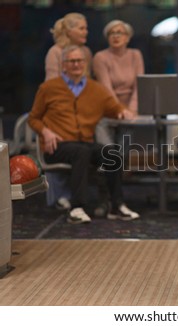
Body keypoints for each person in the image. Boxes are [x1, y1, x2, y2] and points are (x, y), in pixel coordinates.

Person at [28, 45, 140, 224]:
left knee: (112, 154)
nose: (76, 64)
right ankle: (76, 208)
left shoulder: (96, 89)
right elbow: (33, 119)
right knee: (81, 152)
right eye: (71, 61)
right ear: (63, 65)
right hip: (57, 145)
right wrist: (46, 132)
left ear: (85, 64)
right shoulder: (48, 88)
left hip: (83, 143)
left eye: (79, 61)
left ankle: (116, 206)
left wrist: (123, 112)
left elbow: (114, 108)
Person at [44, 12, 92, 210]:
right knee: (61, 147)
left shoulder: (86, 52)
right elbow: (51, 87)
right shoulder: (55, 52)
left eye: (86, 28)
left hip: (81, 112)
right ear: (69, 30)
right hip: (59, 112)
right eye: (81, 28)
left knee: (84, 150)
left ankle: (82, 197)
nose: (85, 32)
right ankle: (59, 197)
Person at [93, 19, 144, 145]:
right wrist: (120, 110)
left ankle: (122, 163)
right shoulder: (100, 57)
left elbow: (139, 85)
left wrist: (131, 110)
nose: (116, 36)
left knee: (123, 151)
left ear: (127, 37)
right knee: (109, 154)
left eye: (120, 33)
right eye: (112, 33)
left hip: (130, 111)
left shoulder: (135, 55)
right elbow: (106, 88)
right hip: (108, 109)